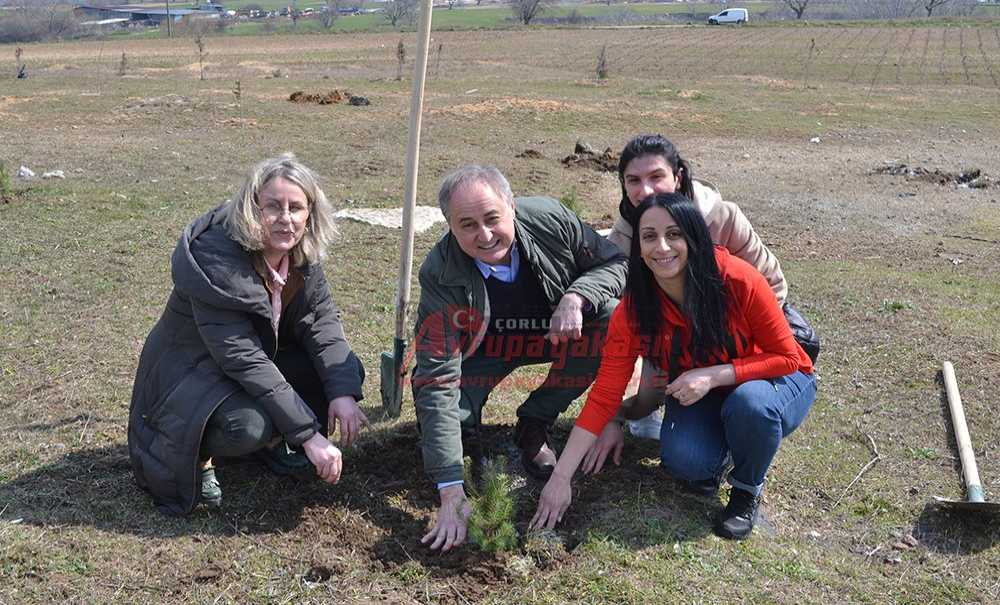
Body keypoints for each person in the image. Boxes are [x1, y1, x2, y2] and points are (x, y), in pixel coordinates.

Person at [531, 192, 817, 540]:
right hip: (705, 393)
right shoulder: (634, 311)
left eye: (674, 234)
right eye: (649, 236)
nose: (662, 247)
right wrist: (561, 477)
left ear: (693, 237)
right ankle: (726, 450)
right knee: (686, 462)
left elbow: (787, 357)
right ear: (638, 247)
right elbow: (605, 395)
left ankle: (746, 488)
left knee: (751, 406)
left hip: (775, 378)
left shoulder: (738, 279)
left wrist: (714, 375)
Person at [128, 154, 367, 515]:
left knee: (342, 372)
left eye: (296, 208)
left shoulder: (299, 255)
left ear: (310, 214)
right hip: (191, 376)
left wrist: (342, 392)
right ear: (252, 209)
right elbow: (243, 359)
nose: (285, 218)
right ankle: (199, 456)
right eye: (273, 206)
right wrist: (308, 434)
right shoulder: (217, 263)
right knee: (248, 426)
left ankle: (272, 444)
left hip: (248, 363)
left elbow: (321, 323)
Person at [413, 164, 627, 551]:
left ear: (511, 206)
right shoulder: (439, 272)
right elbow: (437, 375)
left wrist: (576, 296)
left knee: (610, 316)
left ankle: (535, 421)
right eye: (467, 225)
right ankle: (467, 441)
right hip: (485, 349)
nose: (485, 235)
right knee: (449, 420)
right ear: (450, 226)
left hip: (558, 332)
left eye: (492, 218)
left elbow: (615, 263)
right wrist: (450, 488)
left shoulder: (551, 219)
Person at [587, 133, 817, 474]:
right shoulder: (622, 237)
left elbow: (772, 285)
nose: (645, 190)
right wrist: (613, 416)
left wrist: (725, 349)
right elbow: (628, 320)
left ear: (678, 176)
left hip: (745, 342)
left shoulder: (723, 218)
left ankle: (748, 440)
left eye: (656, 176)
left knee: (749, 404)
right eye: (633, 180)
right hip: (674, 344)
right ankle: (686, 432)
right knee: (685, 457)